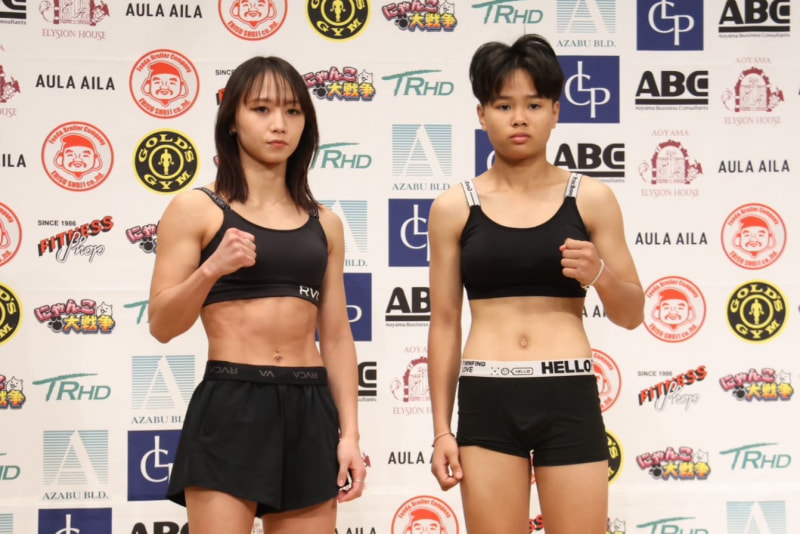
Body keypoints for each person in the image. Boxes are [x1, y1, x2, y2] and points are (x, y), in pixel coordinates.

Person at [427, 34, 644, 534]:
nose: (519, 118)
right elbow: (444, 323)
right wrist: (441, 429)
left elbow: (633, 313)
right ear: (482, 115)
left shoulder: (591, 199)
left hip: (567, 394)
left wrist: (599, 274)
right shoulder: (453, 207)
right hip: (487, 396)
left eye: (534, 104)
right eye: (504, 105)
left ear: (555, 112)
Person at [148, 56, 366, 534]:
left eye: (292, 111)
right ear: (232, 120)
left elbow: (336, 337)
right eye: (262, 109)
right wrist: (212, 269)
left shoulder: (325, 222)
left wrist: (349, 433)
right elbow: (162, 324)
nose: (278, 124)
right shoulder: (196, 208)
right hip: (233, 401)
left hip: (310, 405)